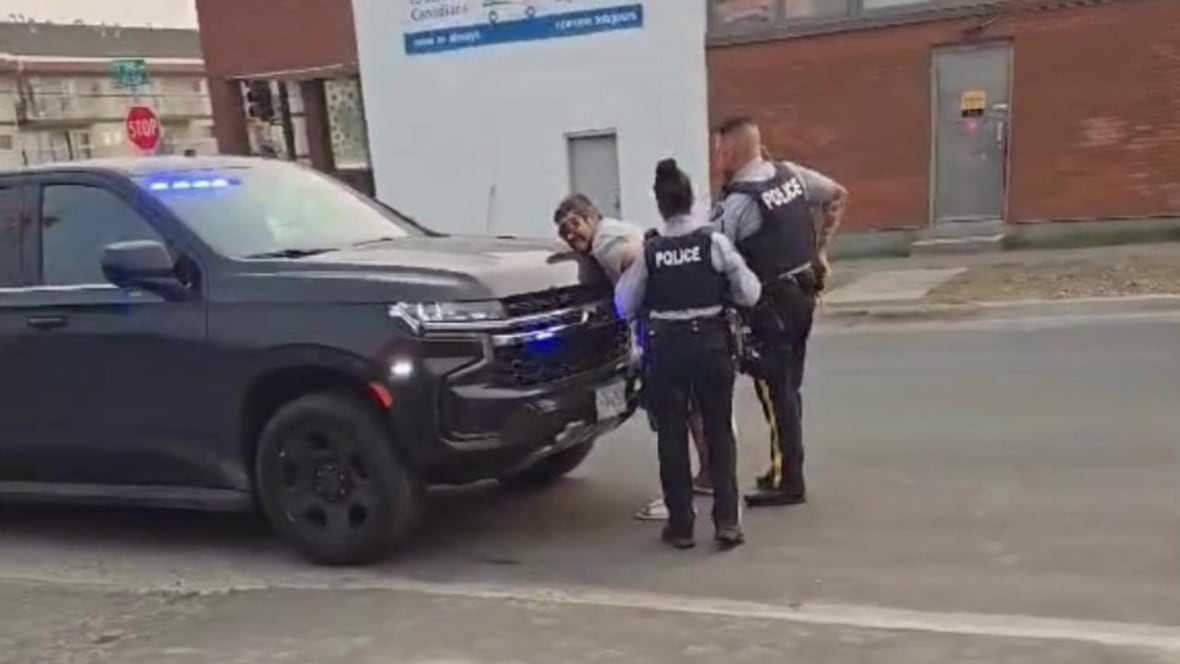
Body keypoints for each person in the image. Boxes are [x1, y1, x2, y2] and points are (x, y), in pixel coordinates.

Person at [615, 158, 761, 549]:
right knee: (719, 434)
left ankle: (681, 527)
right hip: (712, 346)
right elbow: (750, 292)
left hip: (667, 353)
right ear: (692, 199)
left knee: (672, 438)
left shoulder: (651, 252)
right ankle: (727, 522)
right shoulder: (714, 243)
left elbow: (624, 305)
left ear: (660, 204)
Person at [711, 116, 849, 508]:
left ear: (731, 151)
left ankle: (789, 480)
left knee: (776, 392)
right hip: (804, 293)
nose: (717, 158)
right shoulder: (790, 175)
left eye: (719, 150)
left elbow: (714, 255)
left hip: (771, 306)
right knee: (789, 386)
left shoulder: (739, 202)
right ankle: (782, 467)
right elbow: (837, 195)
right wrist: (820, 250)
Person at [552, 194, 714, 521]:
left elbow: (635, 258)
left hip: (659, 333)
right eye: (563, 231)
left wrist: (631, 304)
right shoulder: (618, 228)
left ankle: (677, 498)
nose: (570, 234)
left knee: (669, 416)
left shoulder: (605, 245)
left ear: (591, 217)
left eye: (574, 224)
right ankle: (709, 475)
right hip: (688, 327)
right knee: (695, 407)